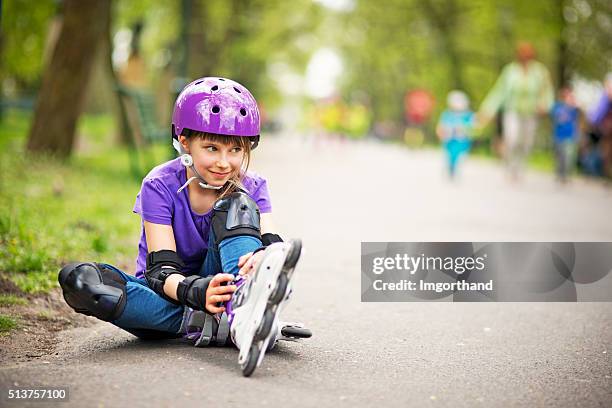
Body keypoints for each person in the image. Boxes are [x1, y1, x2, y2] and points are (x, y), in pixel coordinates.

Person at [58, 77, 310, 377]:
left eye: (236, 150)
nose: (224, 163)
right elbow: (160, 269)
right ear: (184, 141)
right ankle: (223, 324)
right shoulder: (160, 184)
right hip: (172, 295)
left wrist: (262, 259)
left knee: (237, 204)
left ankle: (240, 312)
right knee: (82, 282)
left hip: (230, 283)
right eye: (212, 148)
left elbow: (271, 243)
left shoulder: (252, 185)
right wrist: (197, 292)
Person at [478, 42, 554, 181]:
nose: (525, 57)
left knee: (526, 142)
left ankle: (520, 167)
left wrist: (546, 105)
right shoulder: (510, 71)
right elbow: (499, 92)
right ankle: (509, 167)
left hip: (531, 112)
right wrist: (487, 110)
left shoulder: (540, 71)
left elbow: (547, 91)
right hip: (512, 110)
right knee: (511, 139)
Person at [436, 90, 475, 179]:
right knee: (450, 157)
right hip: (450, 141)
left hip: (462, 141)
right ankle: (451, 169)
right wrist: (441, 133)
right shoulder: (447, 114)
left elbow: (473, 124)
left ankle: (455, 170)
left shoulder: (467, 115)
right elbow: (441, 126)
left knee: (460, 157)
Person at [550, 87, 580, 183]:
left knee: (569, 156)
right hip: (559, 136)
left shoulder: (574, 109)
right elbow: (556, 117)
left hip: (570, 136)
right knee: (560, 156)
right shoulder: (558, 107)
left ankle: (566, 175)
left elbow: (577, 121)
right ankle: (559, 173)